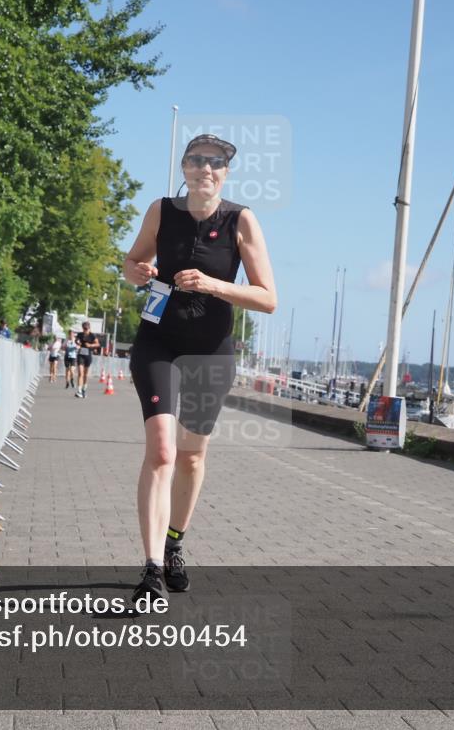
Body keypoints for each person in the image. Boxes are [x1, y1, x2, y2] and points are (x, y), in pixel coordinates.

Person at [122, 133, 276, 605]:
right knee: (164, 451)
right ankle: (149, 569)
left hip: (211, 350)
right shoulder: (161, 211)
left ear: (225, 172)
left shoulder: (241, 220)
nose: (205, 168)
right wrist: (138, 272)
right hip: (159, 343)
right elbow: (132, 262)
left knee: (191, 457)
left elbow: (268, 297)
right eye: (196, 160)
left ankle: (173, 545)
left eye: (215, 162)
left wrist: (212, 284)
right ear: (184, 167)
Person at [74, 321, 101, 398]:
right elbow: (76, 340)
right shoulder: (80, 334)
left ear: (89, 328)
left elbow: (98, 344)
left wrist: (90, 345)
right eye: (84, 328)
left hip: (88, 355)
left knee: (85, 374)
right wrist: (77, 342)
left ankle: (84, 389)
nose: (85, 330)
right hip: (81, 355)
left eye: (86, 328)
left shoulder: (92, 335)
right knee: (80, 373)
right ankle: (78, 391)